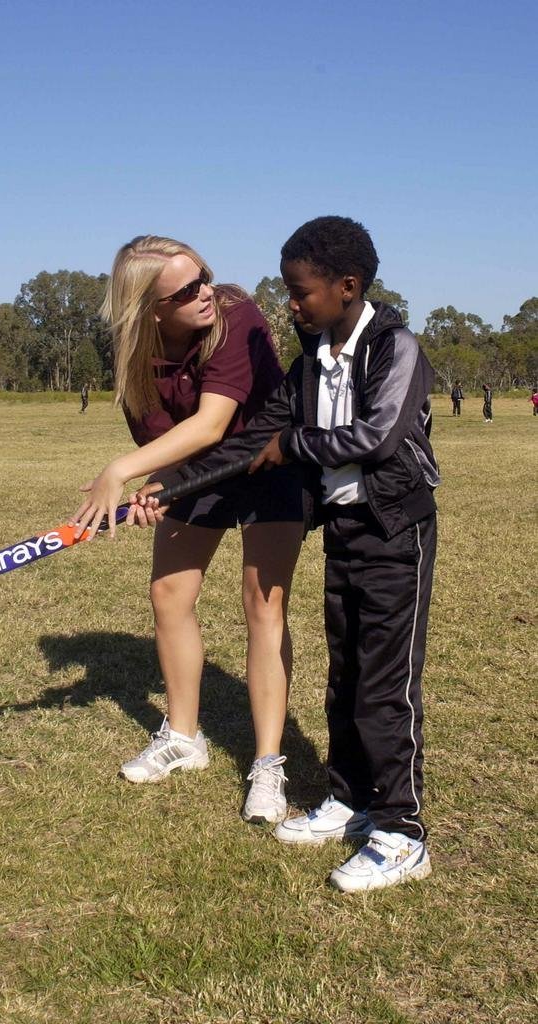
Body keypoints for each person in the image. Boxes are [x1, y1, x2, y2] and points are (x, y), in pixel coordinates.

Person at [140, 216, 439, 892]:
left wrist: (293, 448)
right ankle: (350, 799)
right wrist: (172, 489)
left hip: (396, 529)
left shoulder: (395, 349)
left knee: (386, 686)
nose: (291, 306)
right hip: (342, 525)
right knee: (346, 673)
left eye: (300, 294)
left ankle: (401, 831)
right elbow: (257, 437)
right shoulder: (312, 360)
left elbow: (377, 437)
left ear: (347, 286)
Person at [69, 235, 304, 823]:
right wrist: (156, 488)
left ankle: (269, 764)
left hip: (269, 461)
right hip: (202, 472)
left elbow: (212, 423)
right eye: (186, 290)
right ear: (150, 307)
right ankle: (183, 736)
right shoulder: (135, 355)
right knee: (168, 592)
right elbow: (167, 447)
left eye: (204, 276)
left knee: (262, 603)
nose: (205, 293)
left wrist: (120, 473)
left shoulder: (234, 313)